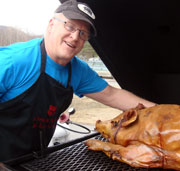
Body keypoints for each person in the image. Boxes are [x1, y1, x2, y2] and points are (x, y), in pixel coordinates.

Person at [0, 0, 155, 162]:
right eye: (70, 26)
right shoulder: (12, 61)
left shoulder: (78, 70)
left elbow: (112, 95)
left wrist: (164, 113)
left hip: (32, 159)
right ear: (51, 24)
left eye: (83, 33)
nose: (75, 37)